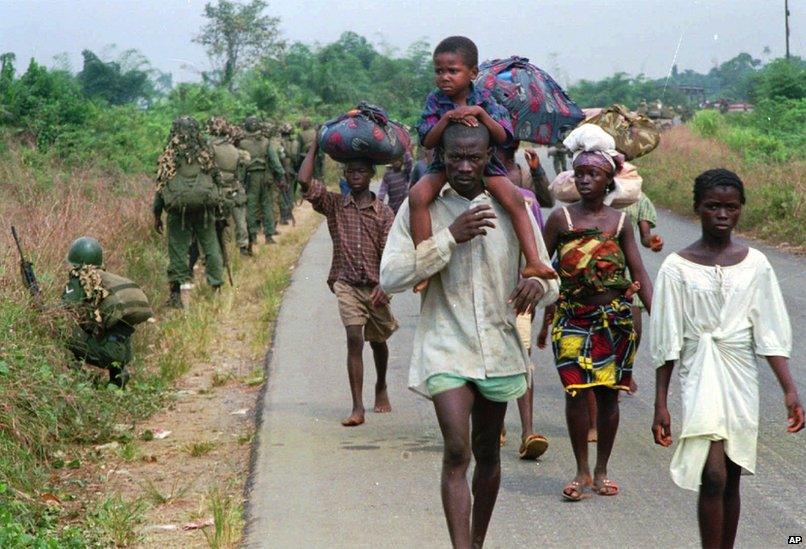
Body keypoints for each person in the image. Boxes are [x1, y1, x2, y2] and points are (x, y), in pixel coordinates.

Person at [380, 123, 559, 548]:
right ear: (441, 155)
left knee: (488, 452)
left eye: (473, 158)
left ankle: (477, 540)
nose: (464, 166)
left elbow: (551, 281)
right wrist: (449, 237)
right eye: (454, 157)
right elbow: (391, 275)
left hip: (497, 346)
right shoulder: (421, 206)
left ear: (488, 158)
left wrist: (539, 286)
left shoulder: (511, 205)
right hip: (446, 343)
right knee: (458, 449)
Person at [650, 169, 803, 549]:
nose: (722, 214)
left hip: (740, 372)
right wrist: (660, 402)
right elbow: (667, 338)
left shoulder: (756, 265)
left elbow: (769, 330)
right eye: (712, 206)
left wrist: (789, 390)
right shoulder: (676, 266)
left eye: (730, 207)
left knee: (731, 472)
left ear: (740, 211)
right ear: (697, 208)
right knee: (713, 473)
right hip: (699, 370)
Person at [541, 124, 653, 501]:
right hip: (573, 318)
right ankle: (581, 471)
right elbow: (540, 266)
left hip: (616, 320)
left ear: (609, 182)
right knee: (576, 392)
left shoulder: (619, 223)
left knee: (609, 396)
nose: (586, 179)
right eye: (581, 173)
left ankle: (602, 469)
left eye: (594, 174)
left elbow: (638, 271)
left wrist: (660, 316)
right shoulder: (560, 220)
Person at [409, 36, 556, 295]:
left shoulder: (485, 99)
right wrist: (446, 119)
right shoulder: (435, 102)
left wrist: (481, 115)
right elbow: (428, 140)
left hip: (484, 165)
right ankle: (425, 266)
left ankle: (533, 261)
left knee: (514, 199)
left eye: (452, 71)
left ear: (472, 73)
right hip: (446, 164)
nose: (444, 77)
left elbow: (504, 137)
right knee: (418, 195)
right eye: (439, 71)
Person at [296, 133, 398, 427]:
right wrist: (315, 144)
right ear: (344, 175)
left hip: (376, 287)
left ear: (371, 175)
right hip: (346, 284)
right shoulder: (335, 205)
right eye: (350, 172)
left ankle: (381, 385)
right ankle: (357, 407)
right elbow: (304, 182)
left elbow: (391, 254)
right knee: (354, 338)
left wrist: (385, 285)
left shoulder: (383, 212)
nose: (355, 176)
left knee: (378, 341)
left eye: (361, 172)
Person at [500, 141, 552, 458]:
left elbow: (540, 248)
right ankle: (497, 424)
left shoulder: (528, 198)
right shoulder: (479, 191)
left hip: (520, 289)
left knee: (522, 355)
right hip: (490, 288)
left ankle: (527, 430)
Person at [153, 116, 225, 308]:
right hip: (204, 210)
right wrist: (219, 207)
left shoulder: (169, 154)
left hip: (178, 212)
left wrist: (157, 215)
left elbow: (160, 188)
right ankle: (216, 287)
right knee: (210, 247)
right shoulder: (206, 153)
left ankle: (176, 296)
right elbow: (218, 180)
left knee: (178, 250)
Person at [62, 237, 147, 388]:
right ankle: (118, 376)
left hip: (107, 353)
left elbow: (64, 310)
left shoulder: (80, 280)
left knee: (62, 331)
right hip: (125, 353)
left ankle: (78, 377)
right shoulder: (106, 282)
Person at [206, 116, 251, 256]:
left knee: (217, 222)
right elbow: (244, 163)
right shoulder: (235, 149)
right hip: (235, 188)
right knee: (240, 219)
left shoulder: (209, 148)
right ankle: (243, 247)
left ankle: (219, 250)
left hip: (218, 189)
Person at [239, 117, 284, 248]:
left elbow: (241, 165)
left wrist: (240, 181)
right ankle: (269, 236)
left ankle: (253, 236)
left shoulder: (242, 144)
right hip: (266, 176)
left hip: (250, 177)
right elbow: (274, 160)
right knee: (267, 205)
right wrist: (280, 175)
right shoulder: (266, 141)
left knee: (251, 207)